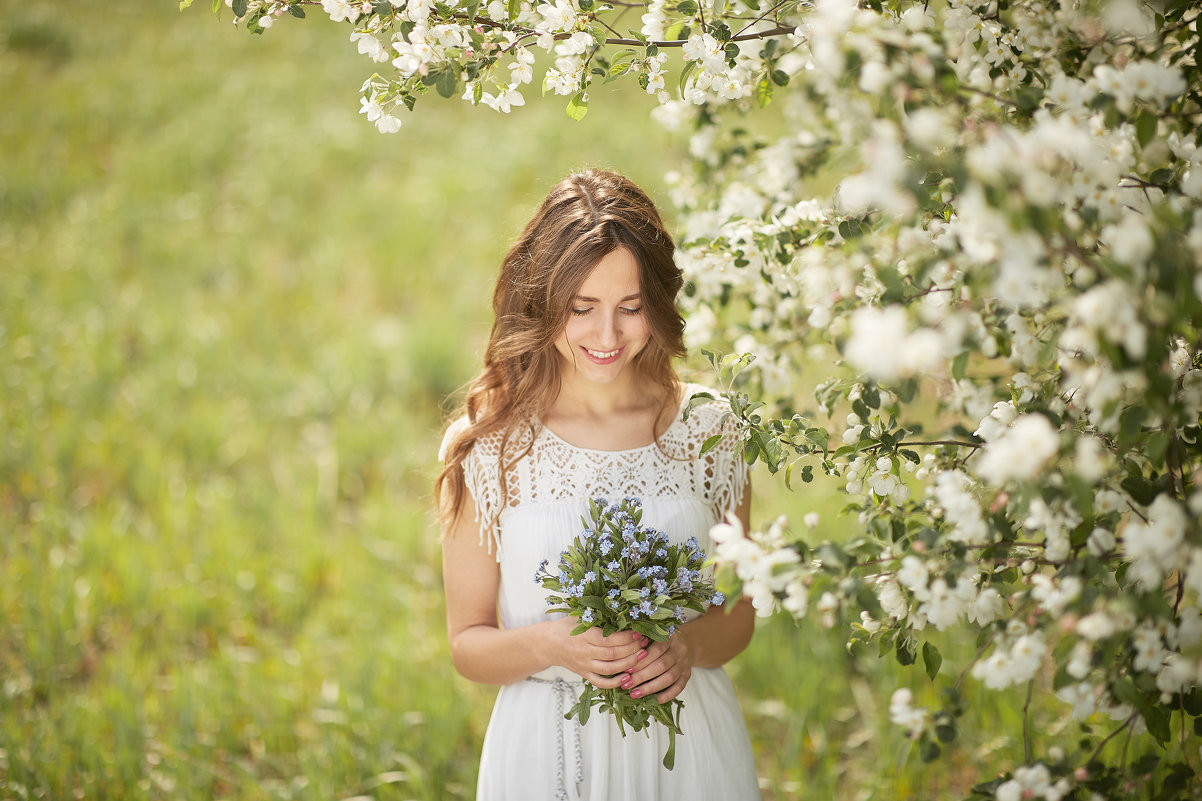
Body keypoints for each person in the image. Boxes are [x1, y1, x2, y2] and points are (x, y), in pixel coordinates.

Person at [436, 169, 761, 801]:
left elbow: (740, 615)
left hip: (687, 752)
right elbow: (467, 645)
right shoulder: (489, 443)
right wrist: (553, 644)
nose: (606, 337)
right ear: (542, 304)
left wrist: (687, 645)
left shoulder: (711, 430)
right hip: (546, 753)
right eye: (581, 310)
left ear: (659, 305)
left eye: (630, 308)